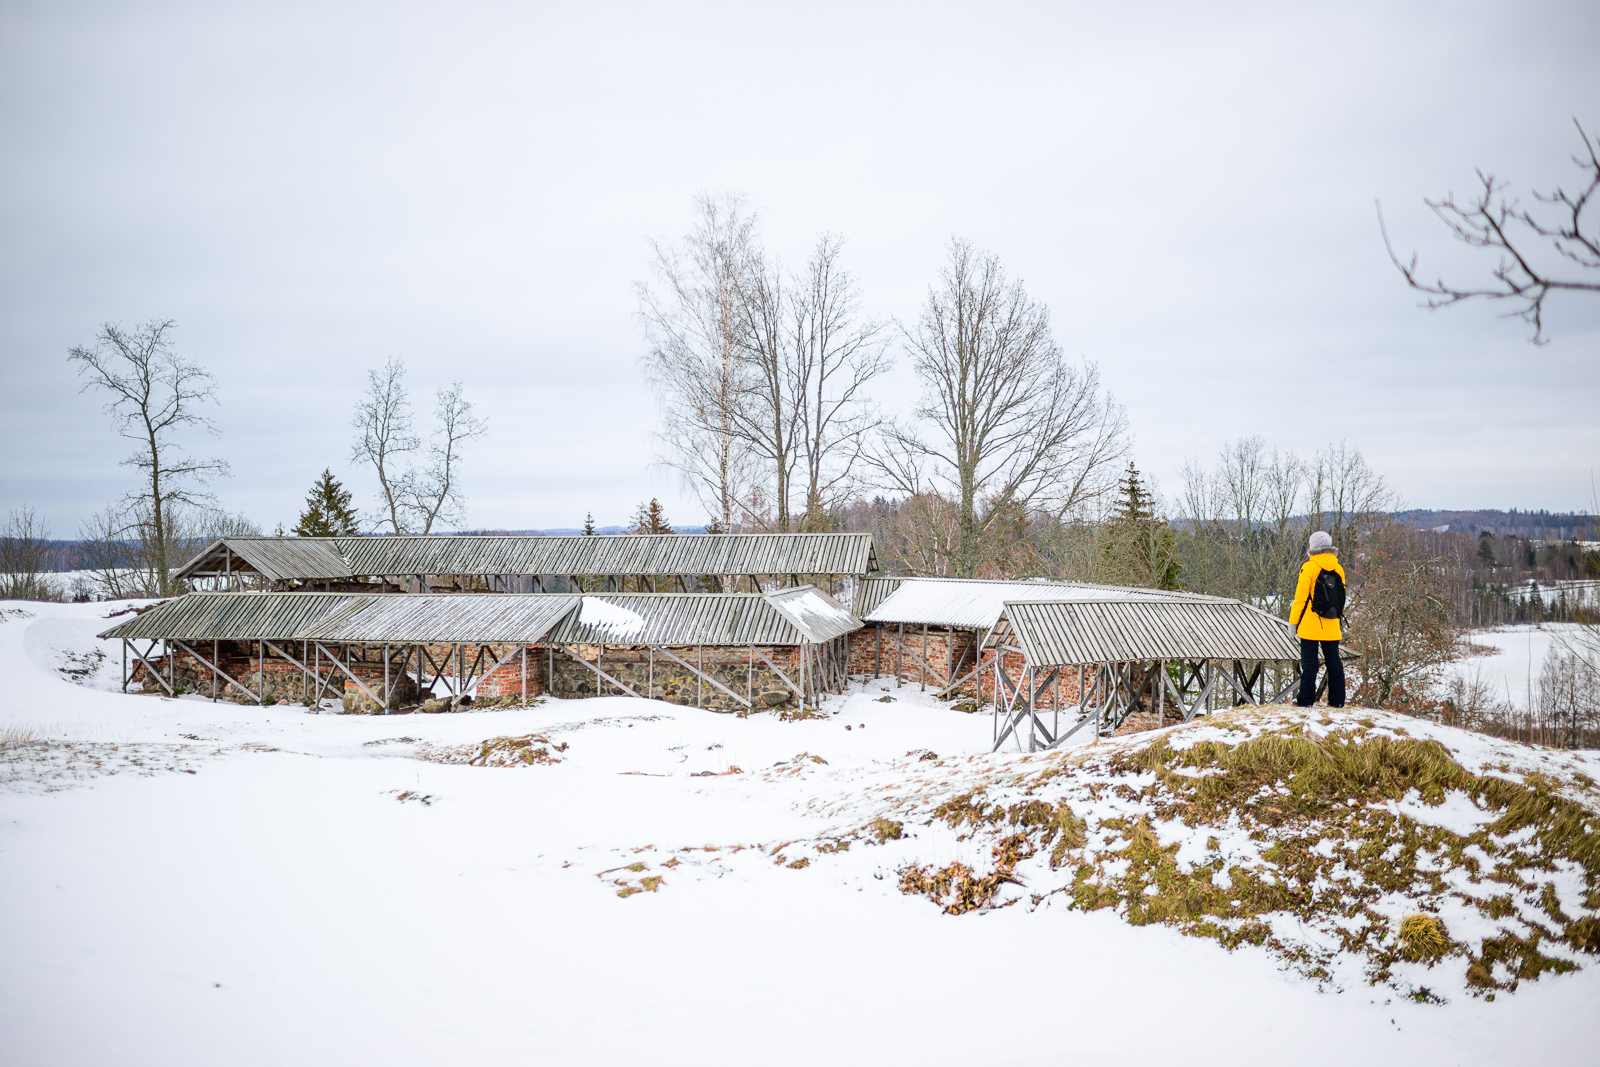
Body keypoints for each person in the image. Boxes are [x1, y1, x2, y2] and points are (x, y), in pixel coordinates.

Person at [1290, 530, 1345, 707]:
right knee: (1334, 663)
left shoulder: (1309, 567)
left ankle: (1305, 700)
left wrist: (1293, 622)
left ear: (1312, 547)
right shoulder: (1338, 568)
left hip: (1310, 625)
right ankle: (1337, 701)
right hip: (1332, 623)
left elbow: (1301, 598)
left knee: (1310, 664)